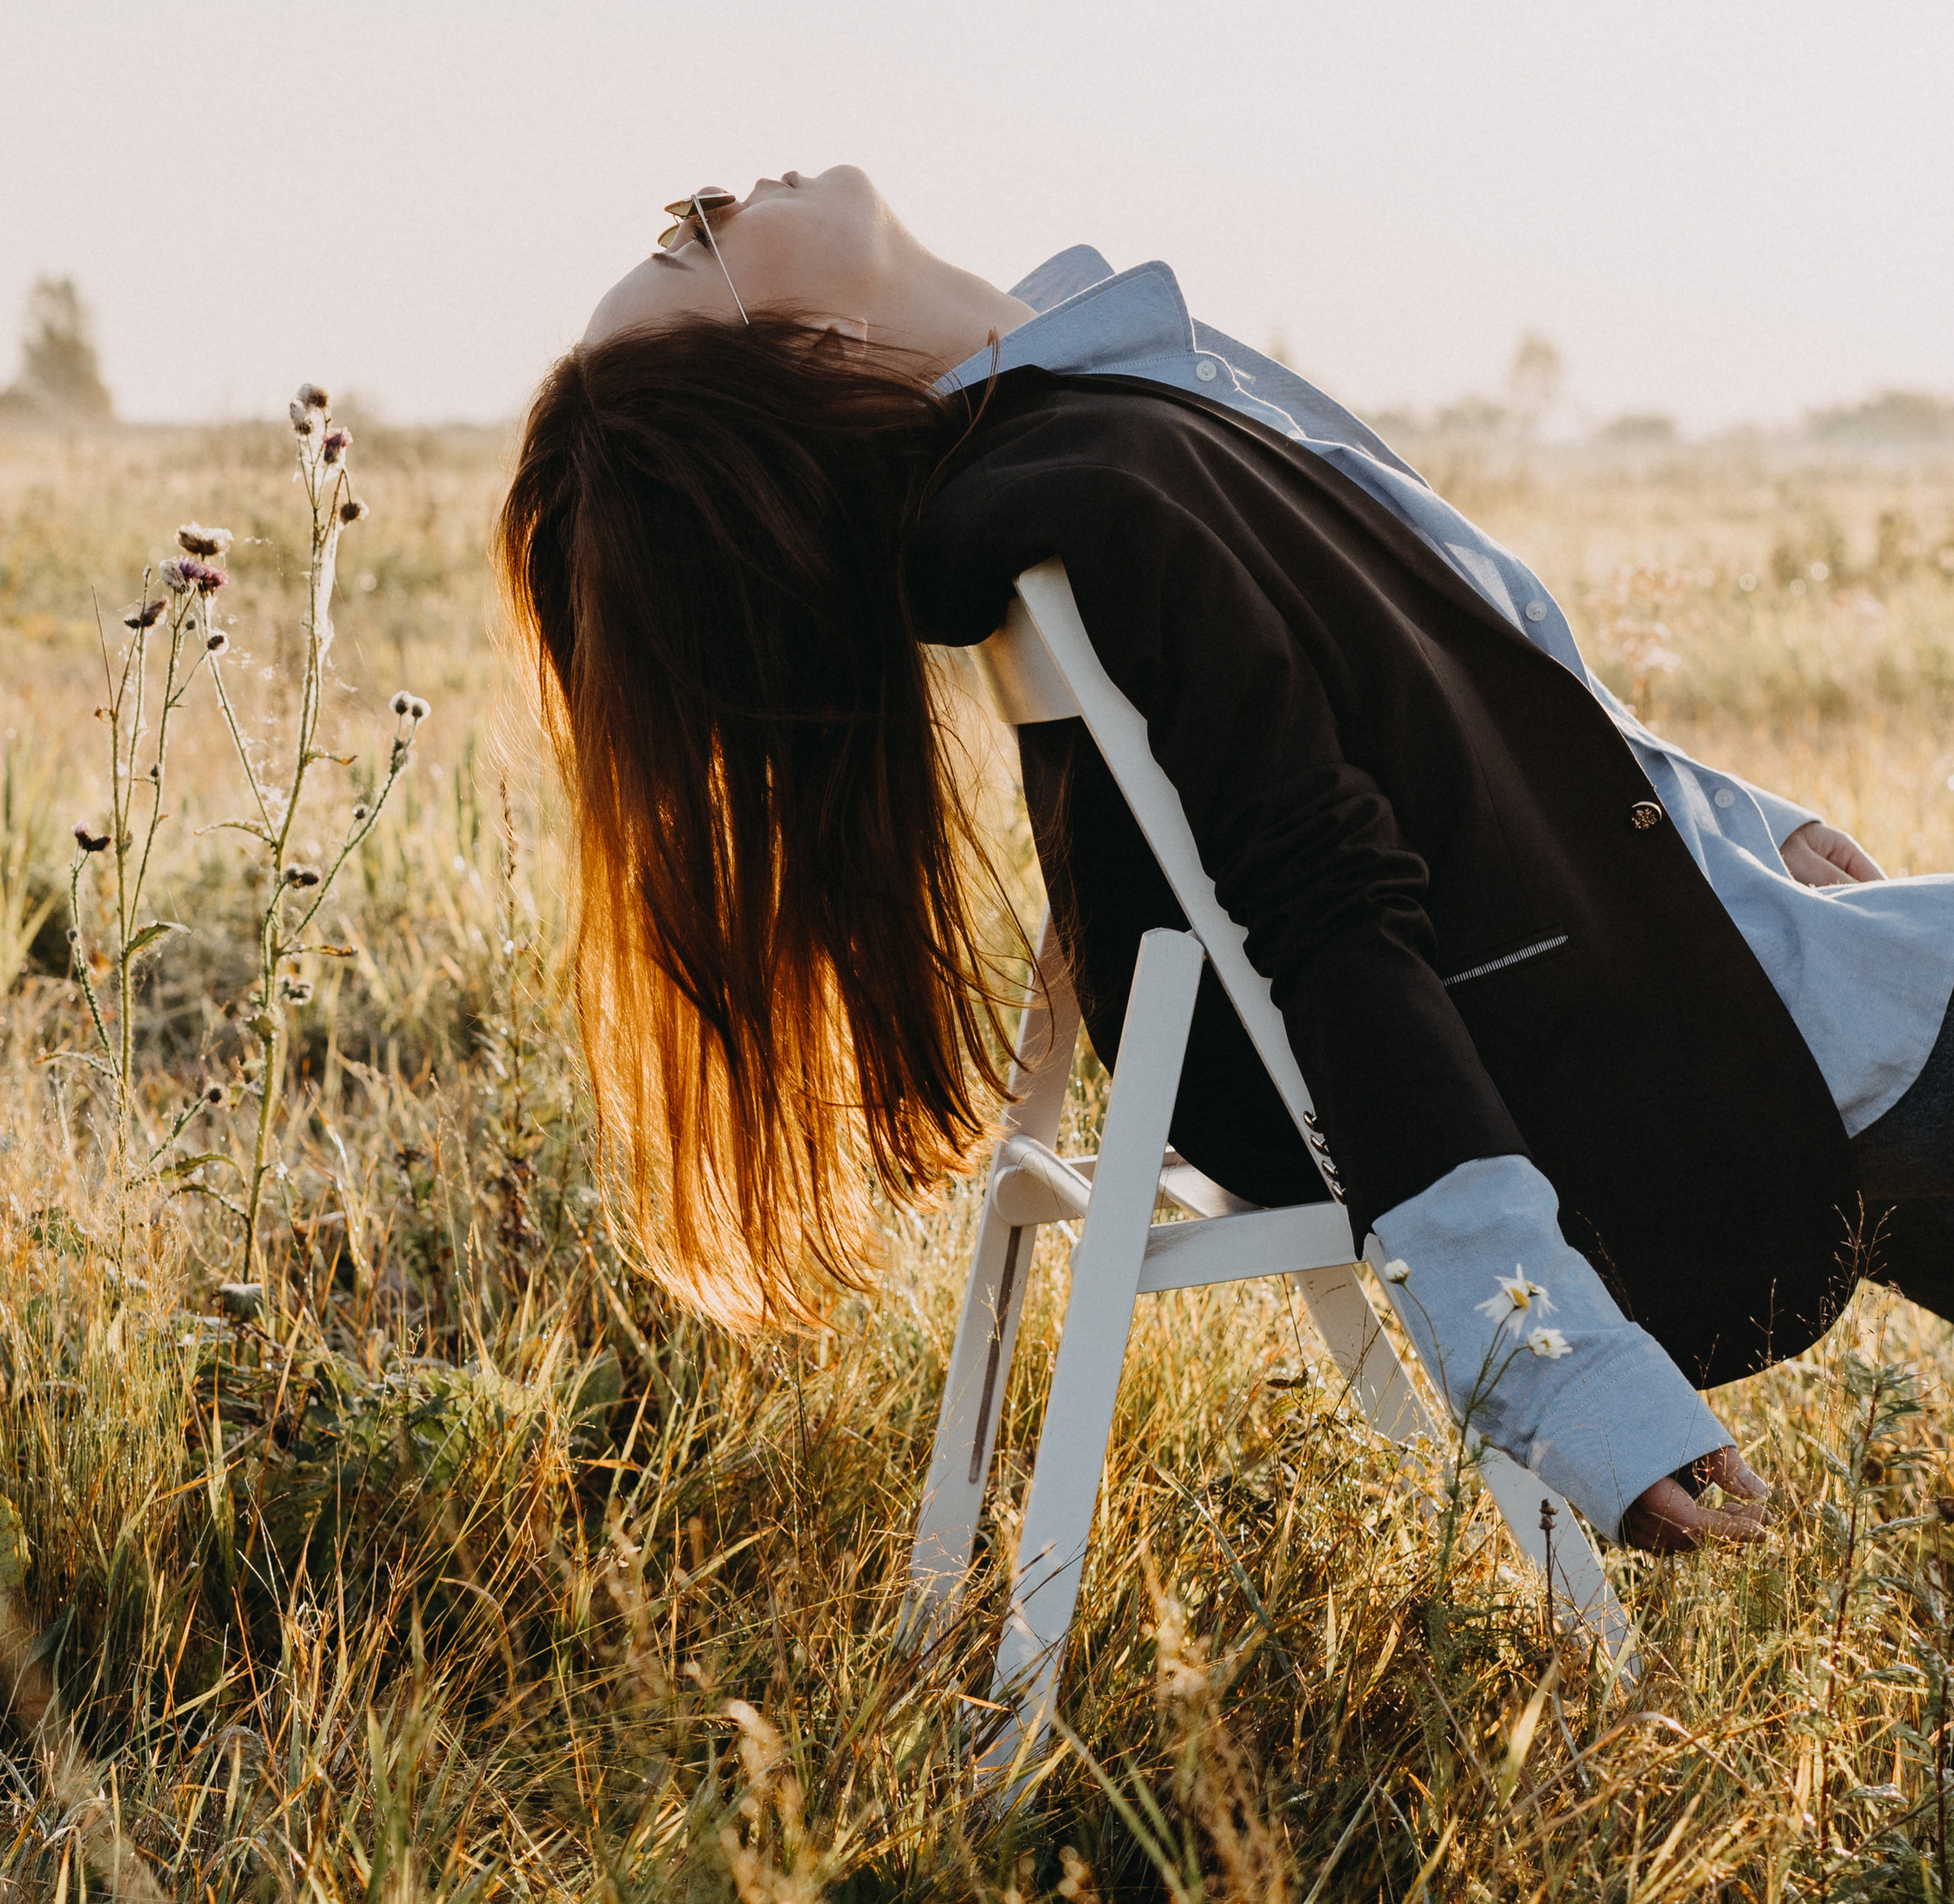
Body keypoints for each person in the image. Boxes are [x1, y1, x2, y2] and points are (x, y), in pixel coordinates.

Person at [496, 167, 1954, 1558]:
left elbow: (1461, 669)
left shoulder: (1103, 422)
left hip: (1735, 959)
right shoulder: (1098, 476)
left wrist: (1734, 824)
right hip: (1728, 1048)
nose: (725, 193)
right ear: (810, 351)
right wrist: (1553, 1366)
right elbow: (1318, 911)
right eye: (696, 233)